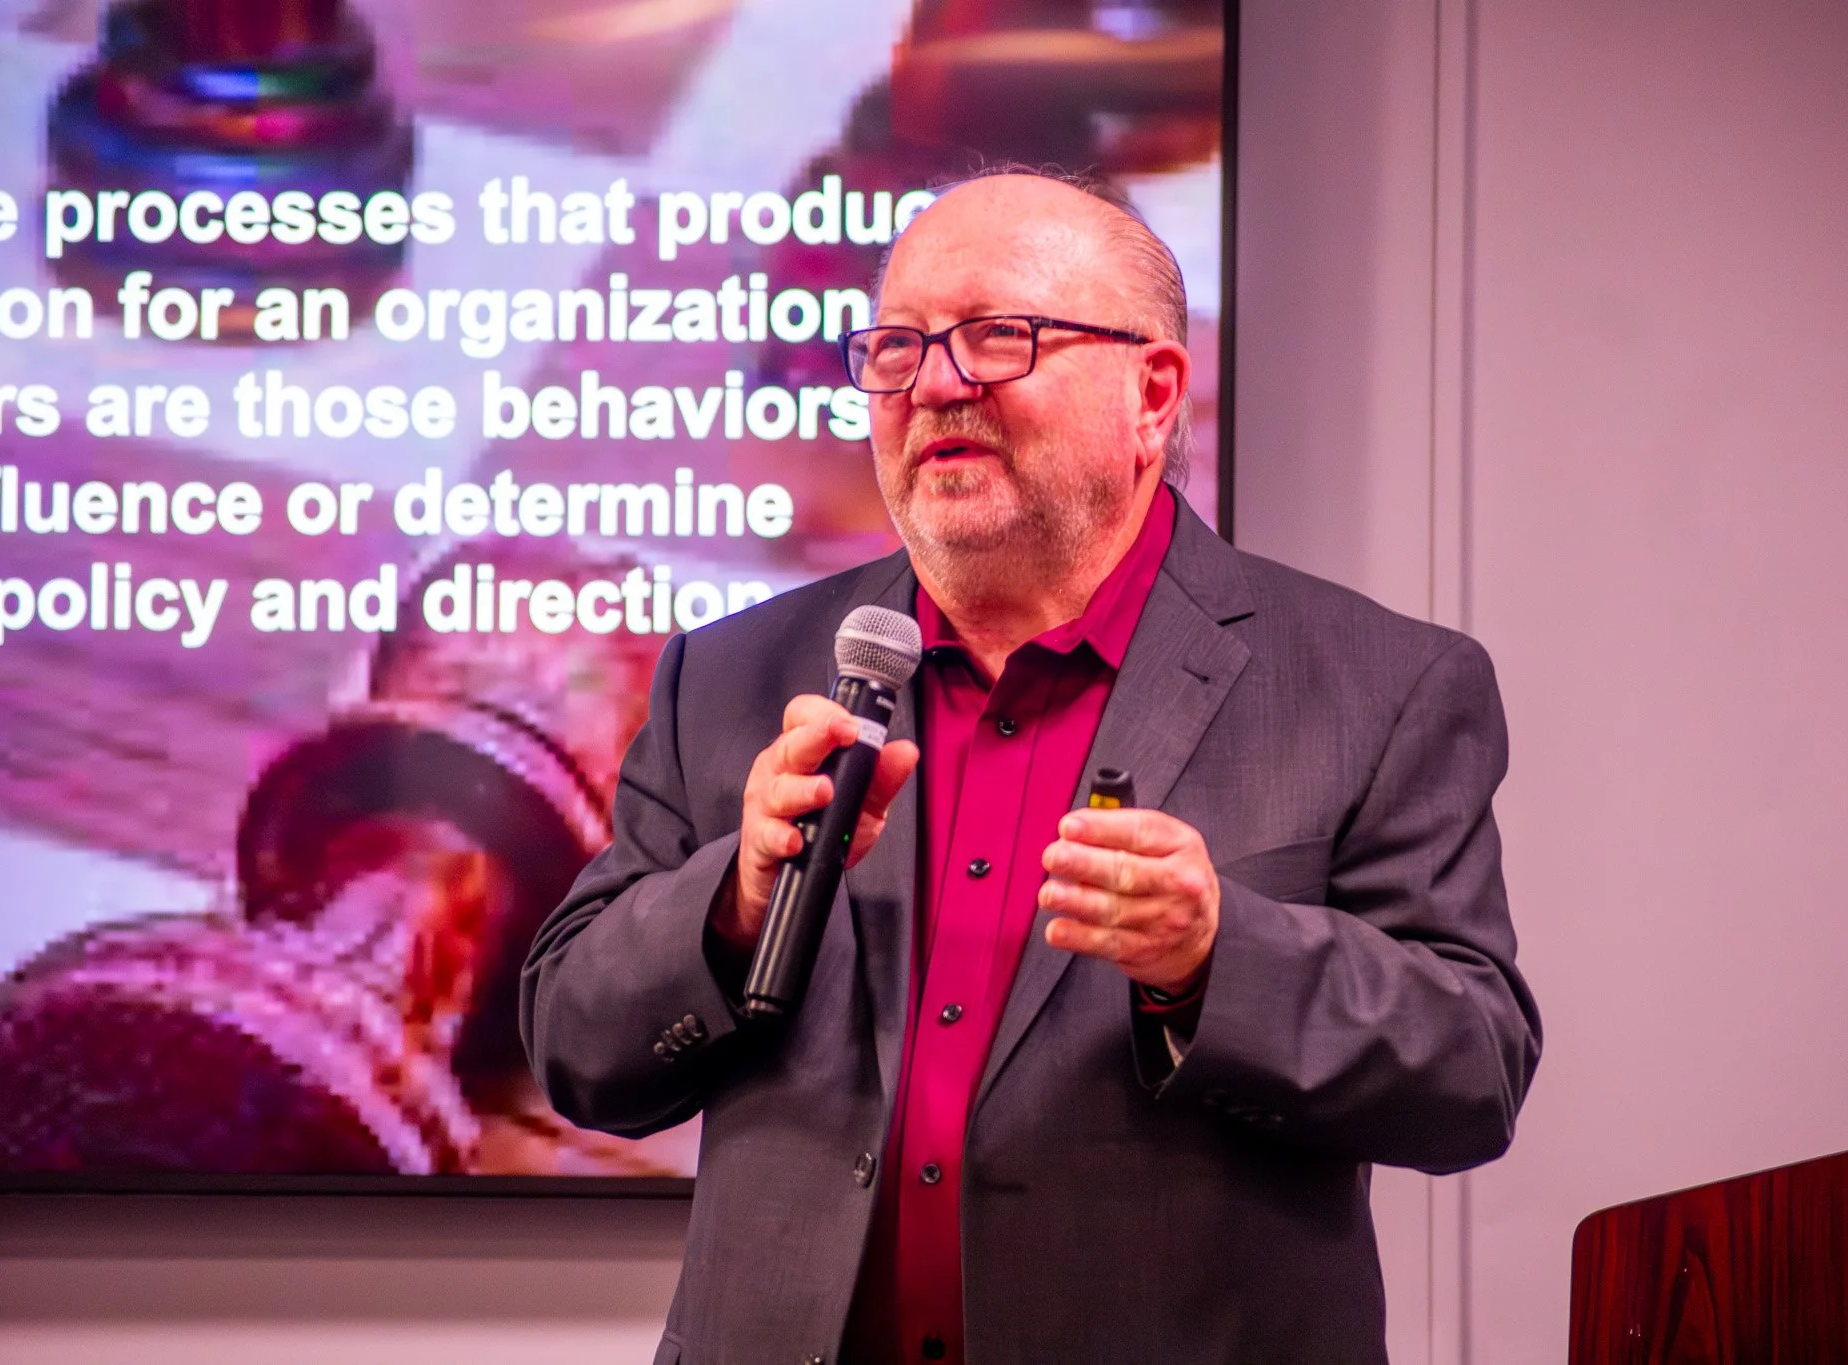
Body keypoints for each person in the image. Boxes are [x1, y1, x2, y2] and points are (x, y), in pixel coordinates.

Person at [521, 169, 1540, 1365]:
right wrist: (735, 901)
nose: (932, 385)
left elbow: (1470, 1069)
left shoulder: (1373, 684)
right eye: (896, 348)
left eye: (996, 337)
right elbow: (574, 1046)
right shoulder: (731, 675)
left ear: (1151, 393)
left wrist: (1214, 958)